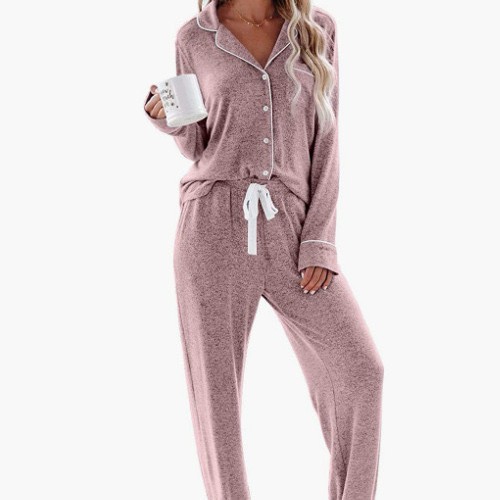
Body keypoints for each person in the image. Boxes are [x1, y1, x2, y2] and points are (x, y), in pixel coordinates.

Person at [143, 0, 384, 498]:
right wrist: (170, 121)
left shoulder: (316, 30)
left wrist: (320, 241)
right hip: (211, 221)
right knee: (217, 397)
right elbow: (198, 142)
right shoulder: (194, 36)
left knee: (361, 371)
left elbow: (327, 142)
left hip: (291, 224)